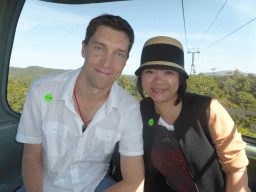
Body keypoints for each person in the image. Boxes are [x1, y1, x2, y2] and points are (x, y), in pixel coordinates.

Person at [16, 14, 144, 192]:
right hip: (43, 184)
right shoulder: (42, 90)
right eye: (99, 48)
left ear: (125, 61)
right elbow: (31, 157)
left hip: (95, 185)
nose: (107, 62)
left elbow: (135, 181)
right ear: (84, 48)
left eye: (119, 53)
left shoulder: (129, 107)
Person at [135, 36, 250, 192]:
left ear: (180, 79)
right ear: (141, 78)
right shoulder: (142, 111)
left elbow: (237, 168)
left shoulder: (207, 109)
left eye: (168, 73)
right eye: (150, 72)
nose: (158, 81)